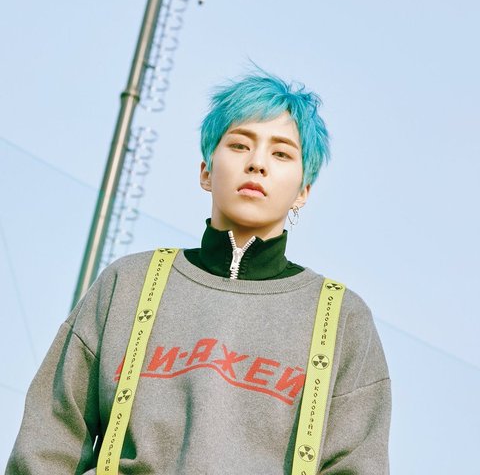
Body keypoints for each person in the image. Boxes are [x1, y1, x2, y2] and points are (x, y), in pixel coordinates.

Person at [6, 65, 391, 474]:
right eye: (240, 145)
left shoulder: (342, 319)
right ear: (206, 171)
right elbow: (48, 446)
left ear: (303, 191)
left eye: (281, 153)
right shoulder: (127, 284)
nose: (258, 163)